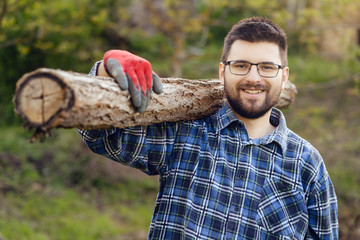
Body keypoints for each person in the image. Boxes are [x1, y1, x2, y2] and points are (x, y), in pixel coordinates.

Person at [78, 16, 338, 239]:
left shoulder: (307, 165)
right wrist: (103, 72)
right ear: (222, 72)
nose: (253, 77)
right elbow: (102, 137)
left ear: (284, 75)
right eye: (241, 65)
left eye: (267, 67)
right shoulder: (185, 133)